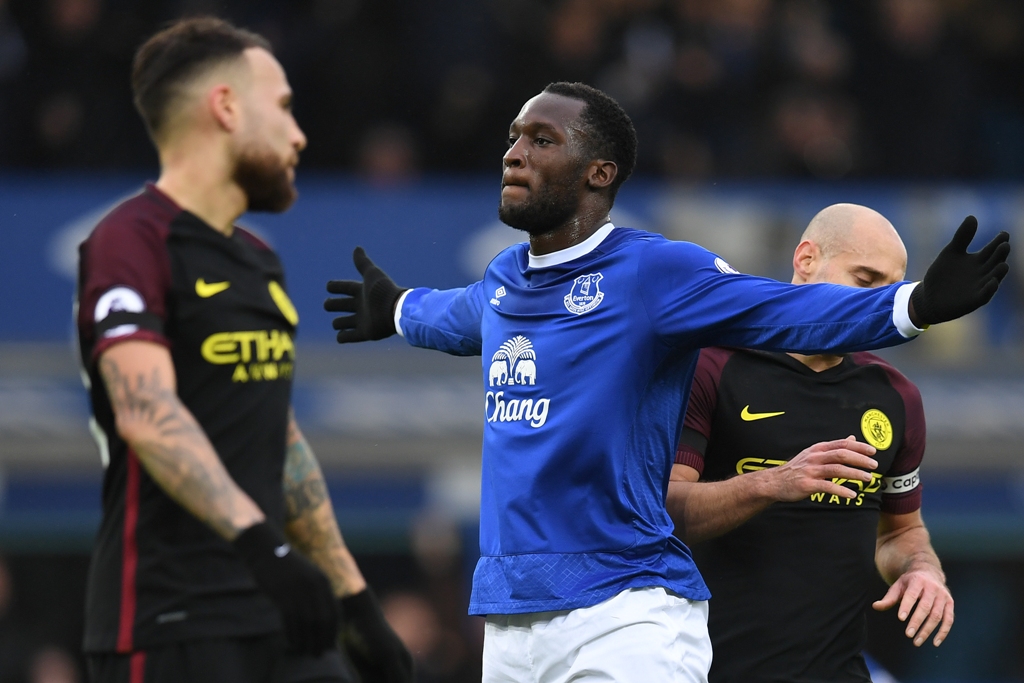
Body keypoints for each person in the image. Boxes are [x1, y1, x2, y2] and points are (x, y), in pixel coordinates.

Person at [323, 82, 1009, 682]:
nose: (514, 153)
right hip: (509, 620)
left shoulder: (654, 272)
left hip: (623, 613)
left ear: (598, 172)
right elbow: (456, 315)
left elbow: (782, 309)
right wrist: (396, 309)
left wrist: (912, 306)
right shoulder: (507, 281)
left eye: (541, 139)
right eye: (513, 138)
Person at [75, 17, 411, 683]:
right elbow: (146, 412)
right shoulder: (129, 240)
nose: (299, 134)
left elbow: (278, 437)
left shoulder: (257, 258)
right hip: (167, 621)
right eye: (283, 107)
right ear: (225, 107)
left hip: (280, 609)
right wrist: (264, 546)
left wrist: (354, 597)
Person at [666, 204, 952, 683]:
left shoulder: (896, 396)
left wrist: (921, 569)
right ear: (805, 259)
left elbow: (899, 534)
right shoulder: (711, 366)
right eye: (865, 280)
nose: (878, 303)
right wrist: (772, 483)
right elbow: (663, 514)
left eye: (891, 290)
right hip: (707, 669)